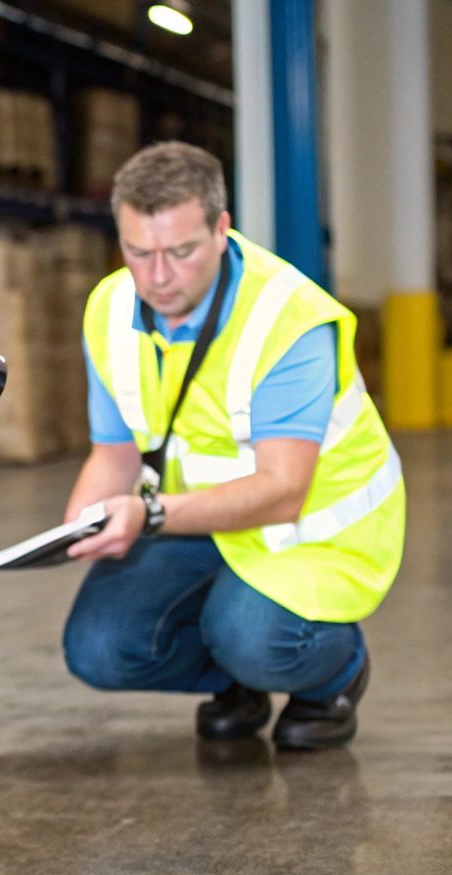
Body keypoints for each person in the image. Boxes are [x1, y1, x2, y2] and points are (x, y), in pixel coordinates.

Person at [60, 142, 405, 751]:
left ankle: (335, 672)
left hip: (308, 533)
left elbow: (283, 490)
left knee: (249, 636)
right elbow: (113, 453)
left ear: (222, 230)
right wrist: (74, 528)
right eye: (138, 252)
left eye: (182, 251)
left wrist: (150, 514)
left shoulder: (288, 320)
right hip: (203, 522)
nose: (158, 276)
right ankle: (238, 681)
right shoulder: (110, 309)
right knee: (99, 648)